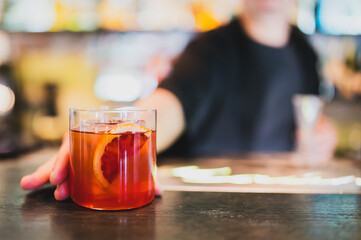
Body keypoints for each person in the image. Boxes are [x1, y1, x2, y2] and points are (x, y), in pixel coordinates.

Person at [20, 0, 337, 200]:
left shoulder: (304, 50)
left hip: (285, 198)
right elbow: (169, 103)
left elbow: (311, 118)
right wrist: (113, 129)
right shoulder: (209, 50)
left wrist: (325, 135)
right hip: (211, 205)